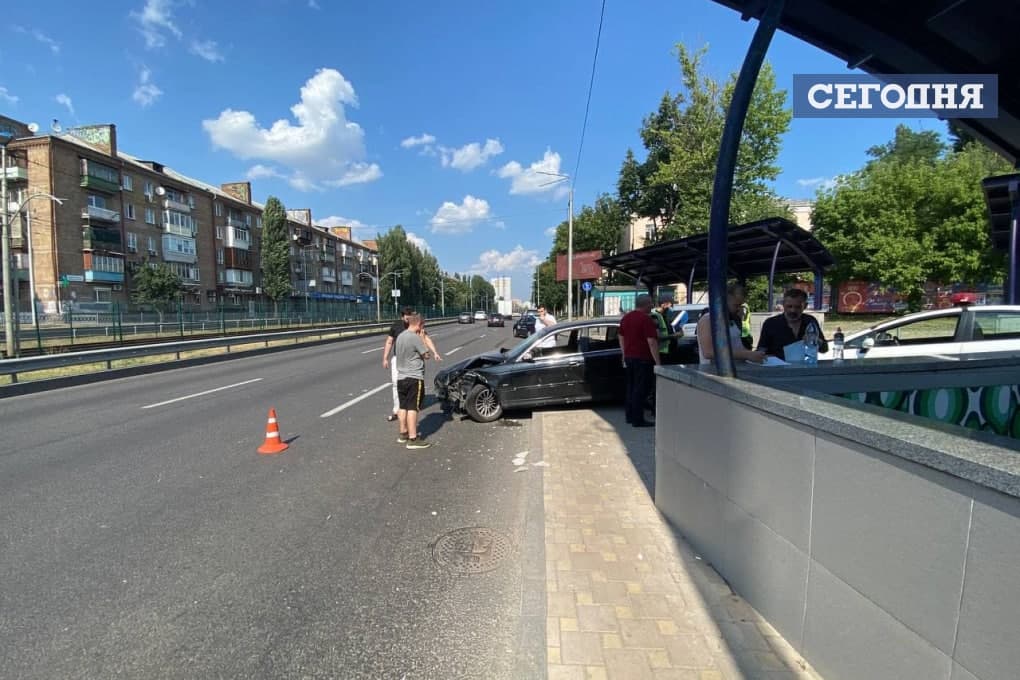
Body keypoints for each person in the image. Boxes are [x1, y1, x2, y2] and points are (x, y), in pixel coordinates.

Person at [383, 307, 441, 422]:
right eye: (407, 316)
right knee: (396, 384)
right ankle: (397, 410)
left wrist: (435, 352)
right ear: (402, 317)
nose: (409, 318)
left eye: (411, 316)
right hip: (399, 359)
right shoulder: (396, 326)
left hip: (415, 360)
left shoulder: (416, 326)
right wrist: (385, 358)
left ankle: (411, 407)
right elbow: (389, 341)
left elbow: (426, 338)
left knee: (414, 383)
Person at [696, 283, 766, 366]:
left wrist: (754, 354)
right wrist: (746, 354)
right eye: (736, 305)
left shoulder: (734, 319)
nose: (739, 309)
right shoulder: (707, 320)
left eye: (741, 305)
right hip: (714, 369)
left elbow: (742, 345)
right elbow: (708, 352)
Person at [618, 294, 661, 427]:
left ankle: (630, 416)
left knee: (631, 387)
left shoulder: (626, 318)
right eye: (651, 303)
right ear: (645, 304)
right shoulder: (646, 319)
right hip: (643, 359)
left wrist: (624, 354)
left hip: (629, 358)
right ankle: (638, 419)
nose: (652, 305)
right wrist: (658, 363)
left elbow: (621, 336)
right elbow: (652, 342)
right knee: (641, 389)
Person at [757, 288, 829, 361]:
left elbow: (825, 349)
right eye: (789, 306)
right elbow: (761, 351)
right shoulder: (770, 323)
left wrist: (817, 341)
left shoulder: (810, 321)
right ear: (783, 304)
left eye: (798, 307)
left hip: (805, 366)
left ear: (805, 306)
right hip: (778, 367)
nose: (793, 310)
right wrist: (763, 355)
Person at [394, 313, 433, 449]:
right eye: (423, 325)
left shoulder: (400, 336)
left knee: (403, 406)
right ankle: (413, 439)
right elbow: (426, 355)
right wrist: (422, 338)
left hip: (401, 377)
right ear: (419, 324)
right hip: (414, 377)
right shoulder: (414, 337)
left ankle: (403, 434)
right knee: (413, 408)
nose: (423, 328)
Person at [650, 292, 682, 364]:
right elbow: (657, 337)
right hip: (661, 352)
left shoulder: (669, 314)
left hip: (671, 351)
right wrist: (673, 336)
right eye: (671, 304)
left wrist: (679, 331)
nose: (672, 306)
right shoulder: (654, 316)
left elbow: (676, 328)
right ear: (664, 304)